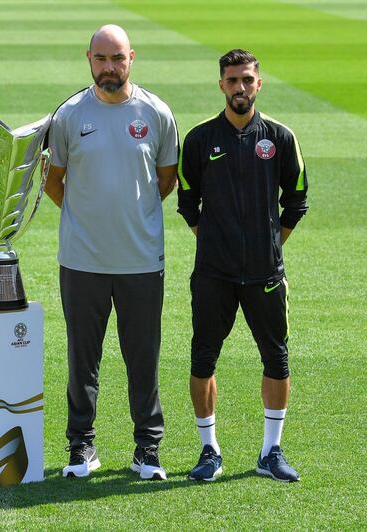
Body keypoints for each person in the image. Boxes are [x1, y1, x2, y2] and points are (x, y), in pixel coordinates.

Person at [44, 25, 179, 480]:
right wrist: (90, 218)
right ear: (88, 59)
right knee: (83, 359)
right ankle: (81, 446)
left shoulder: (156, 112)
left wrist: (129, 216)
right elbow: (53, 181)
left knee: (144, 357)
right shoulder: (68, 115)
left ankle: (148, 448)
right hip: (82, 261)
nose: (109, 68)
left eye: (117, 58)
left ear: (131, 59)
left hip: (141, 260)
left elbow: (165, 179)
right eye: (100, 59)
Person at [179, 49, 308, 483]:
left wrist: (267, 245)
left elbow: (296, 202)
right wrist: (217, 243)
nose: (240, 88)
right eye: (232, 80)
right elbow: (186, 201)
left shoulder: (280, 138)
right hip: (213, 274)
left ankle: (271, 452)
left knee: (277, 357)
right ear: (221, 85)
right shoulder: (198, 140)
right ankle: (209, 450)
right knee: (203, 359)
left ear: (259, 83)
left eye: (247, 80)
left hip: (265, 274)